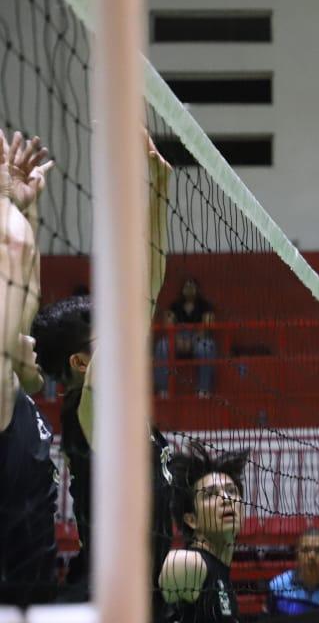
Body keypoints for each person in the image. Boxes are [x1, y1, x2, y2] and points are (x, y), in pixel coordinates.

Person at [32, 130, 176, 615]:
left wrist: (160, 189)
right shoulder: (88, 408)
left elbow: (148, 289)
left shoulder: (113, 406)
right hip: (106, 598)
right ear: (81, 363)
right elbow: (142, 298)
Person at [0, 130, 58, 607]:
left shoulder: (17, 395)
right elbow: (14, 249)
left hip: (34, 592)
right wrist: (8, 201)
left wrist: (27, 207)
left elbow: (29, 297)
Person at [160, 443, 249, 623]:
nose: (226, 499)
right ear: (191, 519)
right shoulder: (191, 563)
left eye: (231, 491)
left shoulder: (220, 571)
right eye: (210, 495)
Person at [155, 277, 219, 397]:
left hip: (198, 338)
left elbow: (207, 325)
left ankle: (203, 389)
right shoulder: (174, 305)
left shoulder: (205, 305)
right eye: (187, 287)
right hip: (177, 337)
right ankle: (164, 389)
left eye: (192, 286)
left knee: (206, 347)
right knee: (162, 346)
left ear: (197, 289)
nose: (189, 289)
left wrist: (193, 340)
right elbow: (168, 324)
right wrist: (176, 339)